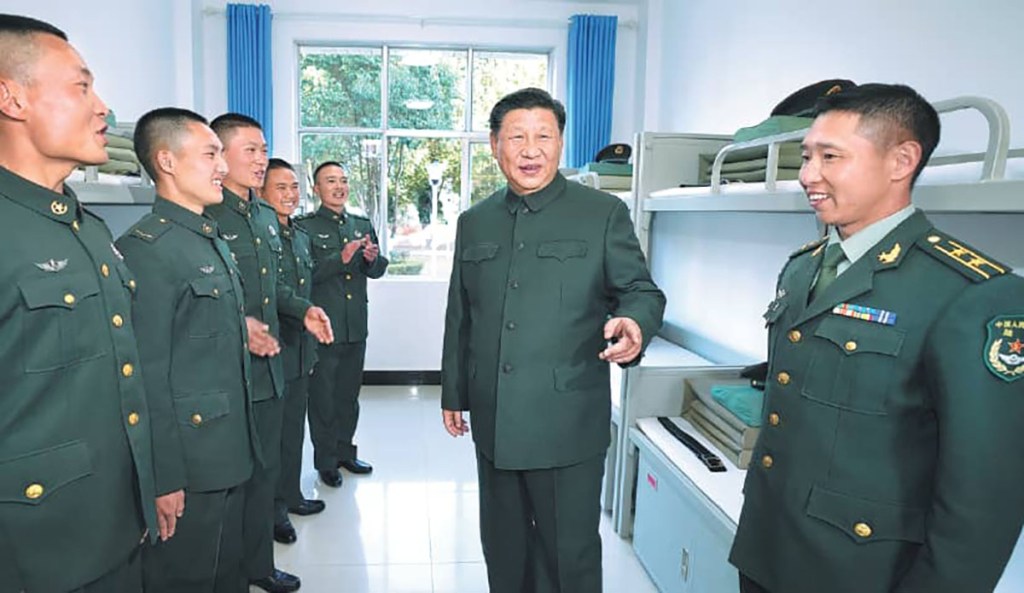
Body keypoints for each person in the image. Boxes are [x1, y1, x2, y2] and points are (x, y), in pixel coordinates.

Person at [729, 83, 1024, 593]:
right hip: (768, 548)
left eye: (830, 157)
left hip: (860, 570)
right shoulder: (803, 270)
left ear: (901, 161)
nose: (807, 175)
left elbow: (985, 495)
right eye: (806, 156)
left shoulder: (972, 294)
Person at [440, 87, 666, 593]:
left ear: (561, 143)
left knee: (569, 556)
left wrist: (634, 322)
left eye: (544, 136)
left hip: (567, 422)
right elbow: (461, 315)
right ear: (495, 145)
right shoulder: (474, 222)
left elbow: (640, 291)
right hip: (495, 418)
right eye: (516, 136)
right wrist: (454, 391)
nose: (530, 149)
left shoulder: (601, 213)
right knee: (503, 547)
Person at [0, 14, 158, 593]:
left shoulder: (88, 229)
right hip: (31, 552)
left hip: (114, 529)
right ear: (11, 97)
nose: (104, 110)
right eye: (82, 87)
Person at [116, 107, 258, 592]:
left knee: (226, 572)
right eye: (210, 153)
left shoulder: (206, 237)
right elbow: (145, 375)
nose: (223, 166)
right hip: (189, 465)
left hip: (227, 450)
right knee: (189, 578)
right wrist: (162, 477)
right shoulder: (147, 249)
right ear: (167, 162)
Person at [207, 114, 333, 593]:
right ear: (219, 156)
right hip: (224, 373)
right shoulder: (208, 213)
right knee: (231, 480)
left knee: (264, 473)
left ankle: (259, 566)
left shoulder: (260, 217)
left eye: (264, 150)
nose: (261, 160)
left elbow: (271, 287)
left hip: (268, 367)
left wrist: (302, 310)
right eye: (250, 150)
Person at [297, 161, 388, 488]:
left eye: (343, 181)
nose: (339, 187)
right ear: (317, 189)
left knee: (348, 397)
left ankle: (345, 452)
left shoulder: (361, 223)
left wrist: (370, 259)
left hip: (355, 327)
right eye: (330, 181)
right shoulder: (303, 227)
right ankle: (325, 461)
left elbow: (377, 270)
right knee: (323, 398)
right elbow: (305, 276)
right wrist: (341, 259)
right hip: (324, 326)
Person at [261, 158, 325, 546]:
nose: (290, 195)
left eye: (294, 187)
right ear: (261, 192)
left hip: (301, 348)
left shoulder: (299, 236)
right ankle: (273, 511)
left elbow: (307, 288)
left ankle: (291, 495)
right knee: (272, 438)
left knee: (292, 433)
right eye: (281, 187)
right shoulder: (259, 236)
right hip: (273, 349)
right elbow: (275, 293)